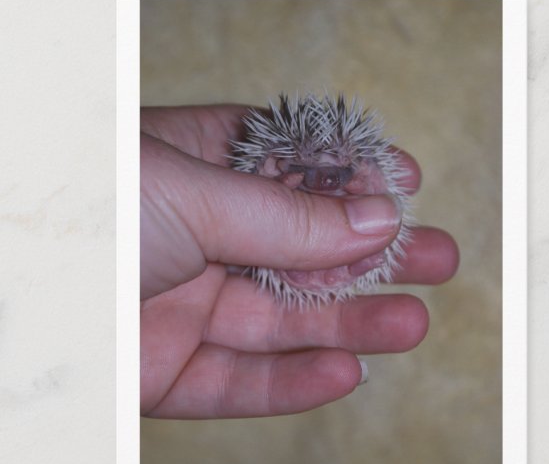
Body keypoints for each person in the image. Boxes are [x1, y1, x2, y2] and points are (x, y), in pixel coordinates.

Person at [140, 104, 459, 419]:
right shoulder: (269, 166)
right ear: (278, 163)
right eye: (308, 170)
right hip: (287, 262)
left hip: (323, 259)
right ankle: (345, 264)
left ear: (360, 163)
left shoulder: (362, 170)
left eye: (338, 170)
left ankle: (353, 263)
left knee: (362, 261)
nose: (326, 181)